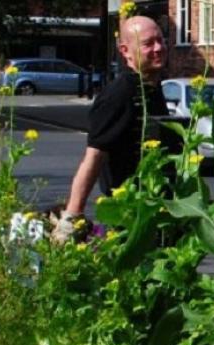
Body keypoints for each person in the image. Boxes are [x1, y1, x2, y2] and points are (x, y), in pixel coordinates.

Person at [52, 16, 174, 242]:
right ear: (126, 51)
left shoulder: (151, 88)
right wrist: (72, 215)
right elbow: (94, 155)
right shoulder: (119, 95)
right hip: (131, 218)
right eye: (148, 44)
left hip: (158, 213)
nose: (158, 48)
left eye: (161, 40)